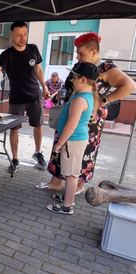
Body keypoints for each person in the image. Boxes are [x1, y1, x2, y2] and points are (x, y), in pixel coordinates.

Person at [36, 32, 136, 193]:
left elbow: (130, 85)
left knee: (83, 153)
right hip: (69, 113)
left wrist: (105, 100)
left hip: (89, 121)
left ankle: (77, 187)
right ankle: (55, 182)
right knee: (61, 145)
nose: (78, 57)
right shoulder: (80, 65)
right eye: (77, 53)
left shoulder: (107, 68)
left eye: (81, 53)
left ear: (94, 52)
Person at [0, 21, 50, 173]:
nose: (23, 38)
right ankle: (15, 159)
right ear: (12, 36)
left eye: (25, 34)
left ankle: (38, 152)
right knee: (14, 129)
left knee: (38, 126)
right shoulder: (6, 55)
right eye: (19, 35)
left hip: (34, 95)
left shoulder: (33, 49)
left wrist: (45, 86)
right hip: (17, 98)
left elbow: (38, 69)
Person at [46, 62, 99, 215]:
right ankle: (67, 198)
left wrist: (59, 143)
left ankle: (67, 205)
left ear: (83, 80)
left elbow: (71, 126)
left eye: (74, 78)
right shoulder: (83, 95)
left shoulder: (80, 100)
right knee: (70, 171)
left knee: (71, 174)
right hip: (74, 140)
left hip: (73, 140)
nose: (71, 81)